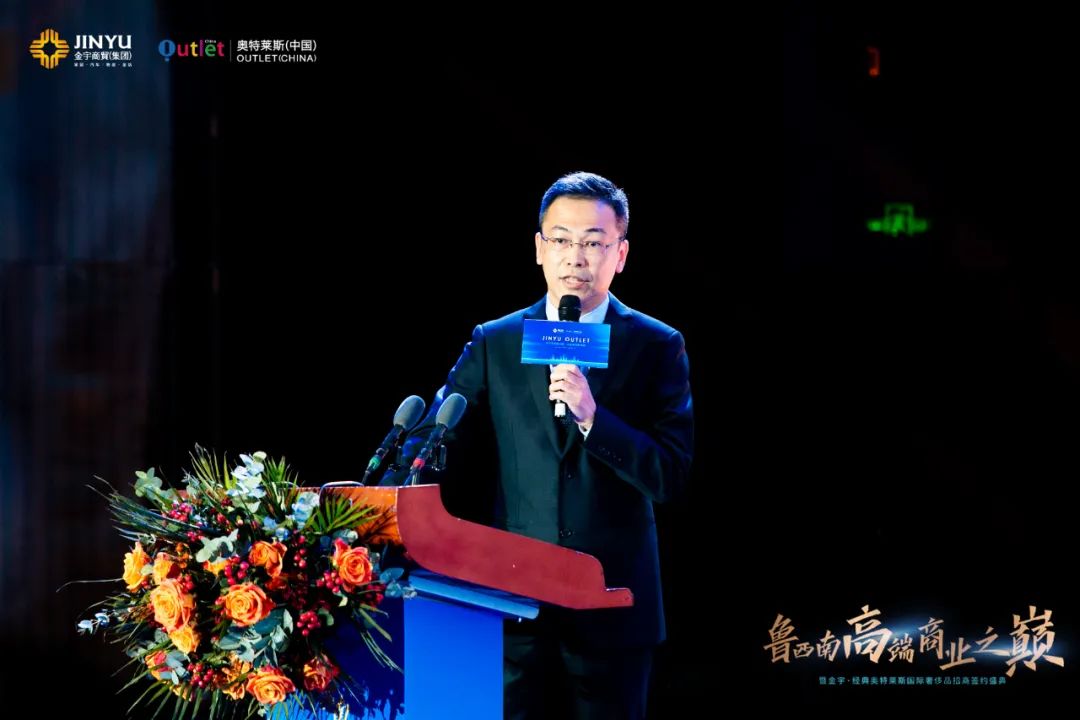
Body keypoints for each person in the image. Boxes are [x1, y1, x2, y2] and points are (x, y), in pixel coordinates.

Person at [388, 171, 694, 719]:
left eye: (593, 242)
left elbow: (670, 474)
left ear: (620, 254)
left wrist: (594, 419)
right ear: (539, 248)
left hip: (613, 612)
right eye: (562, 239)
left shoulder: (656, 345)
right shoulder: (497, 340)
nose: (576, 257)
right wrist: (373, 502)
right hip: (512, 606)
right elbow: (432, 437)